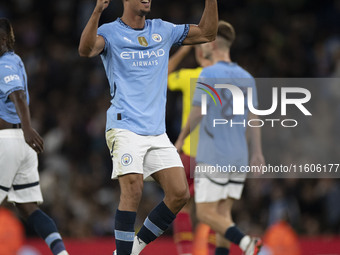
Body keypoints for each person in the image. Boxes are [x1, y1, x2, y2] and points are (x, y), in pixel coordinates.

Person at [78, 0, 218, 254]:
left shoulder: (163, 29)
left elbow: (207, 33)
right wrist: (97, 11)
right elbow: (86, 49)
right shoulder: (110, 32)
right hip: (124, 126)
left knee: (179, 193)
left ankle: (135, 247)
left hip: (156, 132)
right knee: (133, 185)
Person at [175, 21, 265, 255]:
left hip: (213, 153)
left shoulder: (210, 73)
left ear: (213, 44)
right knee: (223, 215)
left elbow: (198, 112)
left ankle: (246, 243)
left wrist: (181, 139)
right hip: (238, 155)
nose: (201, 48)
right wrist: (257, 152)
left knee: (205, 213)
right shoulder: (246, 76)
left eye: (204, 43)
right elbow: (254, 118)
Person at [0, 18, 69, 255]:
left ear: (2, 40)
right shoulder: (15, 60)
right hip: (21, 144)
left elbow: (17, 94)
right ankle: (61, 252)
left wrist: (27, 128)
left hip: (8, 140)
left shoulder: (5, 64)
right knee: (28, 207)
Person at [168, 45, 216, 255]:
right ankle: (212, 251)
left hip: (190, 153)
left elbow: (164, 74)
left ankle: (186, 252)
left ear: (198, 53)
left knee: (182, 205)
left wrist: (183, 51)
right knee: (214, 209)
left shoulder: (190, 77)